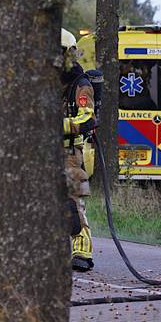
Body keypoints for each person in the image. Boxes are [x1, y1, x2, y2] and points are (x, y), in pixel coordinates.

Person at [61, 29, 96, 272]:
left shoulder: (81, 85)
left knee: (73, 203)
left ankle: (82, 251)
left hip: (70, 153)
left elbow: (88, 118)